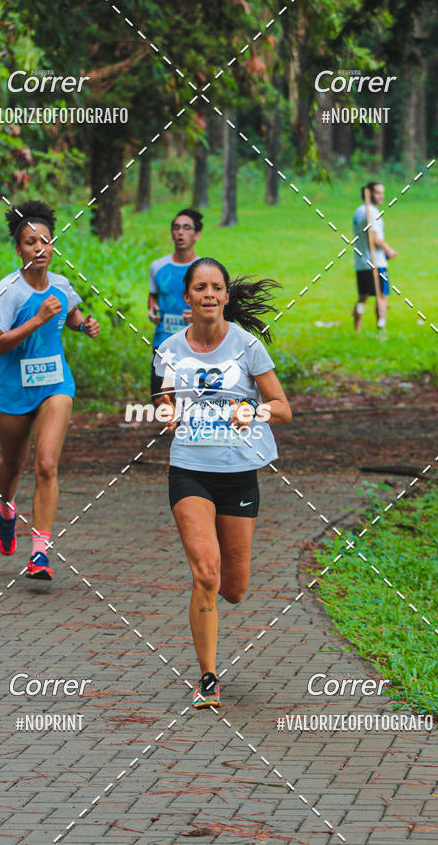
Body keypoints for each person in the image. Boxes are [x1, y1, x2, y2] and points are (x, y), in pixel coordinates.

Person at [153, 257, 292, 708]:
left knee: (234, 587)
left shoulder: (248, 347)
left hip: (238, 474)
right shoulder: (170, 348)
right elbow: (163, 400)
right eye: (200, 287)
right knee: (206, 573)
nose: (209, 294)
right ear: (187, 297)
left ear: (226, 297)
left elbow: (283, 407)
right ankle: (208, 677)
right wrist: (167, 414)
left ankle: (215, 645)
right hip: (190, 470)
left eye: (216, 287)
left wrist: (255, 411)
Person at [0, 200, 99, 580]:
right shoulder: (9, 292)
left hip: (54, 384)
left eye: (45, 241)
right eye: (30, 242)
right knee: (13, 465)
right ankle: (6, 507)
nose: (39, 249)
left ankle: (39, 552)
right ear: (19, 249)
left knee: (47, 464)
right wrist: (37, 319)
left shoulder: (63, 285)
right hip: (12, 391)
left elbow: (68, 314)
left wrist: (83, 325)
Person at [148, 208, 202, 400]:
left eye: (187, 228)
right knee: (160, 398)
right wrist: (152, 309)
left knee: (191, 397)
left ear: (197, 235)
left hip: (195, 343)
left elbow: (217, 304)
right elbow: (153, 295)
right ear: (171, 233)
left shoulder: (203, 268)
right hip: (164, 341)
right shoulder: (157, 266)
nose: (180, 232)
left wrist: (197, 316)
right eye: (176, 228)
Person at [352, 181, 398, 332]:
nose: (381, 196)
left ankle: (357, 327)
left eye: (382, 193)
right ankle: (381, 327)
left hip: (361, 262)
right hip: (376, 262)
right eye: (378, 192)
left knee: (363, 297)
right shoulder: (371, 212)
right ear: (368, 193)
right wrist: (388, 250)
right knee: (382, 295)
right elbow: (374, 238)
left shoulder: (358, 211)